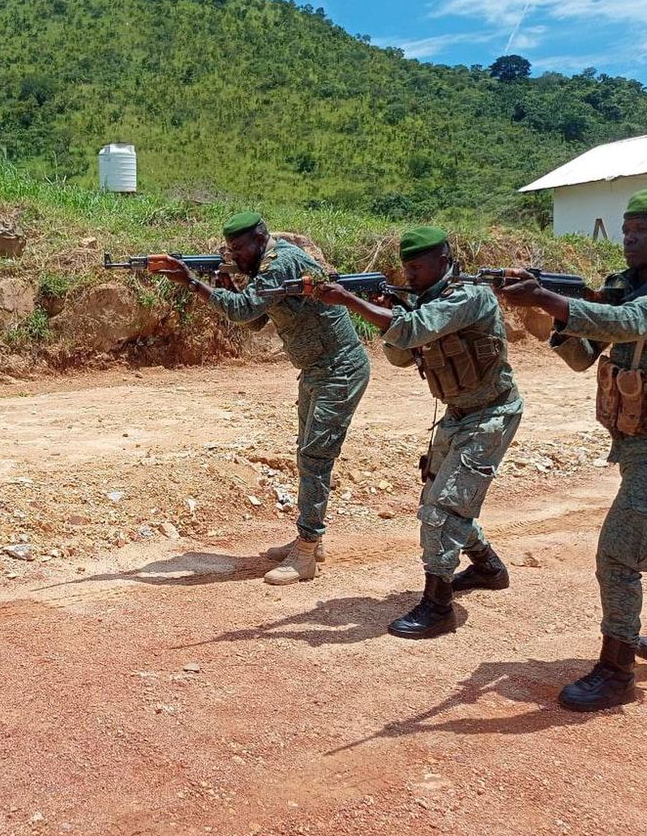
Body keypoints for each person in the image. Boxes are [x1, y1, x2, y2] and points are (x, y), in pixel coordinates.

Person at [497, 188, 647, 712]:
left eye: (642, 229)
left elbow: (632, 325)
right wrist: (548, 317)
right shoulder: (625, 288)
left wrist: (553, 301)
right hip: (637, 439)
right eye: (625, 228)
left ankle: (616, 672)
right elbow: (582, 354)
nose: (630, 237)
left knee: (619, 553)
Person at [313, 226, 522, 639]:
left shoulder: (468, 295)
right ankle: (487, 567)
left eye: (417, 267)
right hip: (460, 412)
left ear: (443, 260)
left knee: (443, 510)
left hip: (491, 413)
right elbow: (400, 357)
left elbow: (411, 331)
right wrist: (389, 310)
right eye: (406, 268)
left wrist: (351, 302)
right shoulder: (427, 301)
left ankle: (438, 606)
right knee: (436, 496)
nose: (409, 275)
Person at [150, 212, 370, 585]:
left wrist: (191, 282)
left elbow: (243, 311)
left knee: (315, 456)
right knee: (307, 451)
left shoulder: (280, 263)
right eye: (231, 249)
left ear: (260, 237)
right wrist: (227, 287)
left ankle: (306, 550)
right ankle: (310, 540)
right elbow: (252, 321)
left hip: (339, 369)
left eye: (239, 248)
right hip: (320, 369)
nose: (235, 256)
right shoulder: (268, 266)